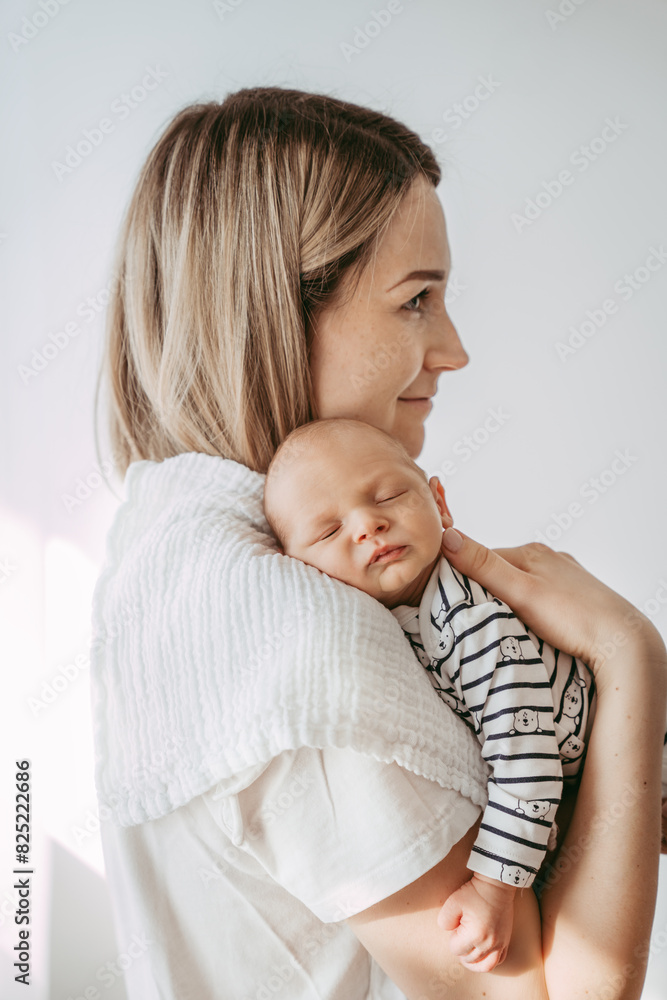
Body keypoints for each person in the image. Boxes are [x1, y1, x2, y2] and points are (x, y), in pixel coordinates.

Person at [91, 85, 667, 999]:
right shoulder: (288, 635)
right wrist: (629, 659)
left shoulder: (168, 560)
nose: (452, 348)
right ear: (274, 309)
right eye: (415, 300)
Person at [263, 414, 667, 973]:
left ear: (440, 503)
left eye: (388, 495)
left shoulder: (468, 619)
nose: (367, 525)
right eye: (329, 532)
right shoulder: (395, 623)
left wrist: (494, 888)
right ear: (297, 573)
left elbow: (525, 755)